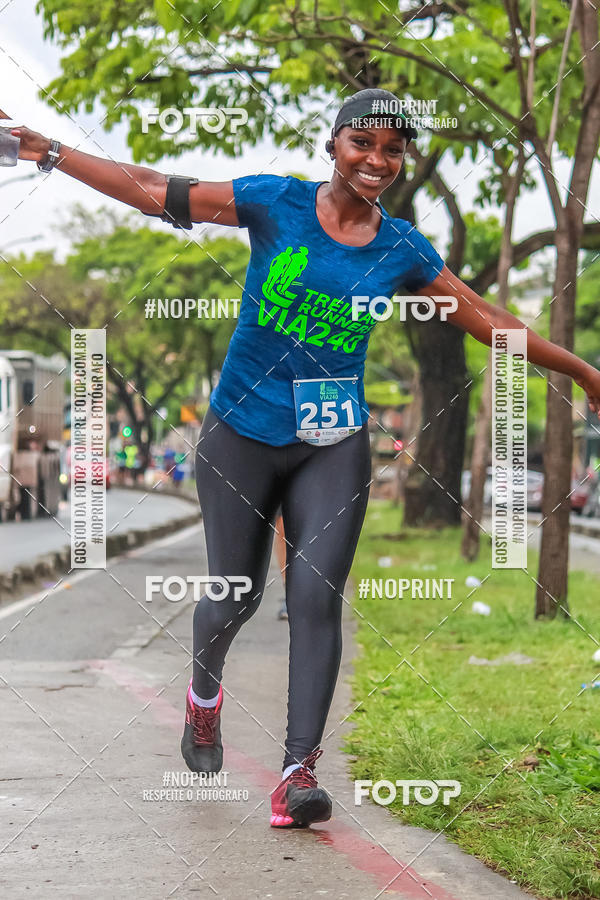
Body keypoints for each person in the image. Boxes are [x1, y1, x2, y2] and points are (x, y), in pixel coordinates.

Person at [8, 89, 600, 829]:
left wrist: (581, 370)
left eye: (392, 149)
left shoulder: (402, 250)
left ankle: (297, 772)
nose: (377, 160)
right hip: (240, 434)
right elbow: (155, 189)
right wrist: (53, 152)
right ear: (334, 145)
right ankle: (202, 701)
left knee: (315, 599)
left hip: (333, 441)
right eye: (363, 144)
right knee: (232, 596)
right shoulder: (273, 203)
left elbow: (488, 319)